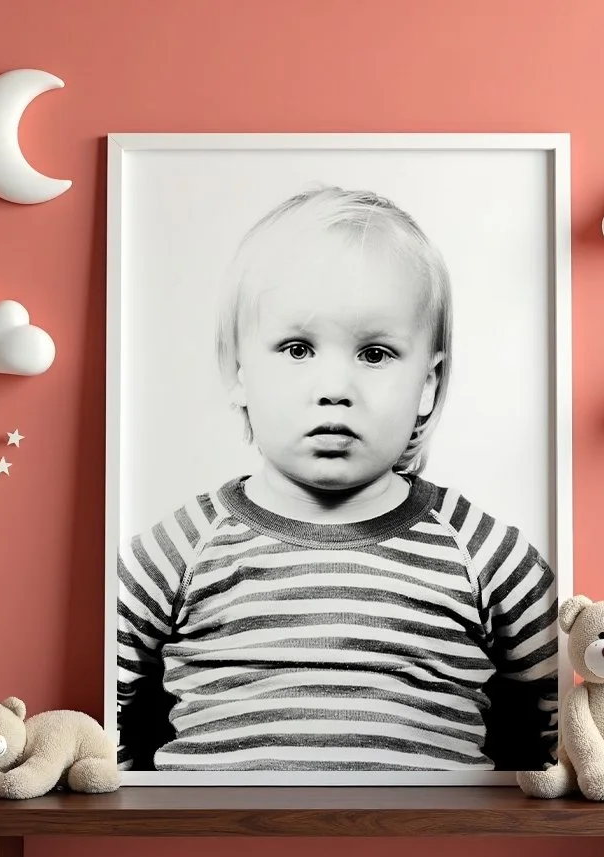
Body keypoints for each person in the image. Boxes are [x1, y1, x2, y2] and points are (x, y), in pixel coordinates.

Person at [115, 184, 558, 771]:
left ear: (428, 383)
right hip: (219, 853)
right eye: (297, 349)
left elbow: (564, 726)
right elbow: (96, 727)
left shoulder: (487, 556)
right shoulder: (178, 551)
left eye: (374, 354)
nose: (334, 388)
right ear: (238, 372)